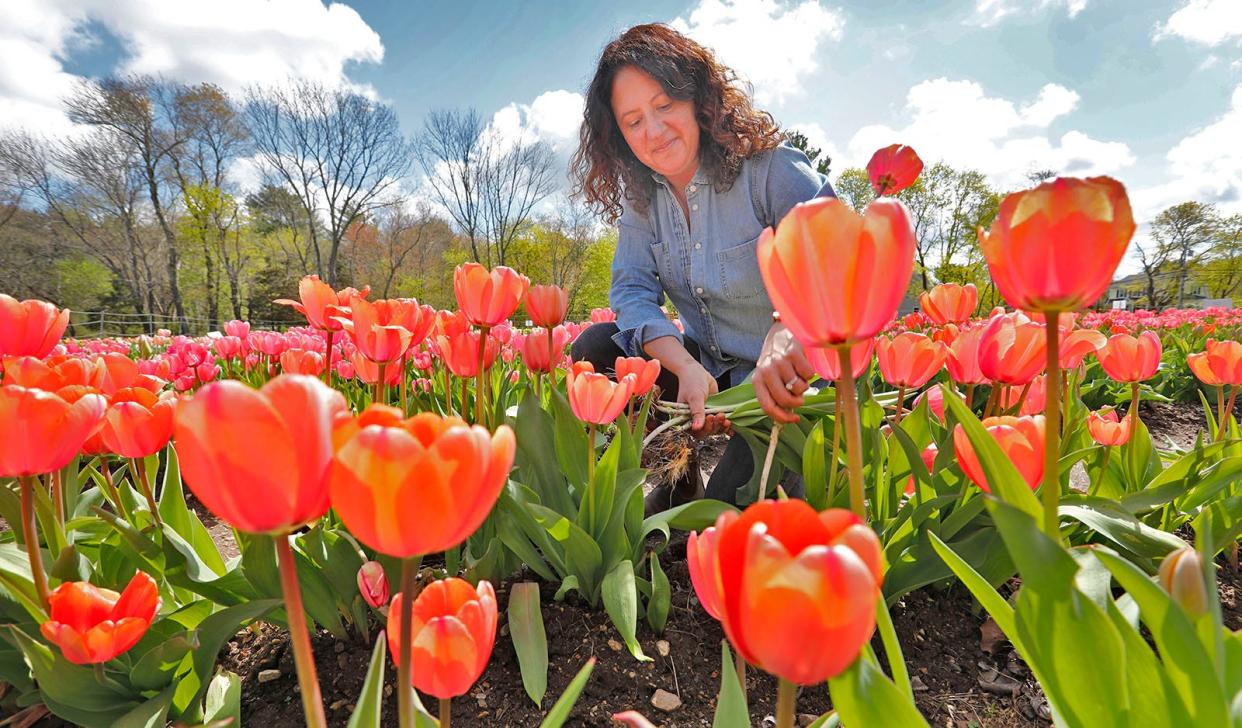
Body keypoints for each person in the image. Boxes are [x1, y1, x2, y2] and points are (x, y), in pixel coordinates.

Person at [569, 23, 835, 514]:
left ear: (697, 98)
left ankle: (789, 466)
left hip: (788, 378)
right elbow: (630, 291)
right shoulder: (642, 200)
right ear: (618, 135)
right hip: (708, 373)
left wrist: (787, 334)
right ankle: (680, 473)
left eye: (665, 105)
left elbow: (837, 263)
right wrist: (685, 367)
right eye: (633, 120)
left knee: (724, 517)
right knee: (597, 349)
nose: (653, 130)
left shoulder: (771, 171)